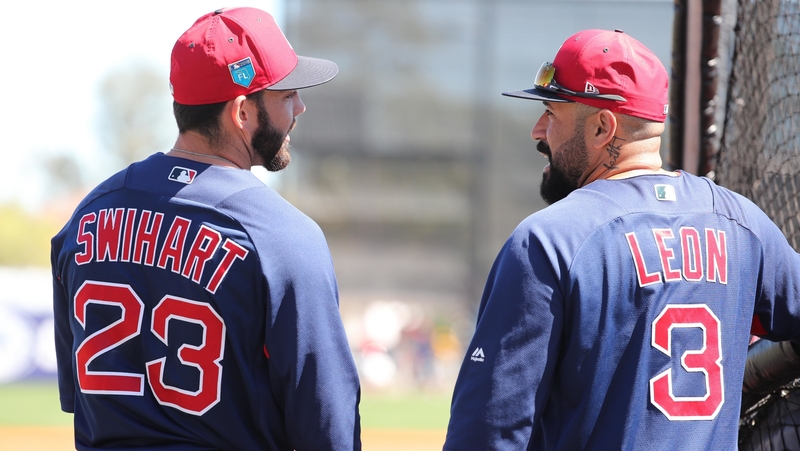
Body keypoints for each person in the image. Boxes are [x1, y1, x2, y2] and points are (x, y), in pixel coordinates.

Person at [443, 29, 800, 450]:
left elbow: (489, 432)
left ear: (602, 127)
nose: (538, 131)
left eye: (552, 113)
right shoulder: (741, 223)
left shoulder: (550, 240)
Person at [51, 7, 361, 450]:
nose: (300, 107)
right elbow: (328, 427)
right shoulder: (282, 237)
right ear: (241, 113)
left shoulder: (85, 218)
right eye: (286, 94)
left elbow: (80, 399)